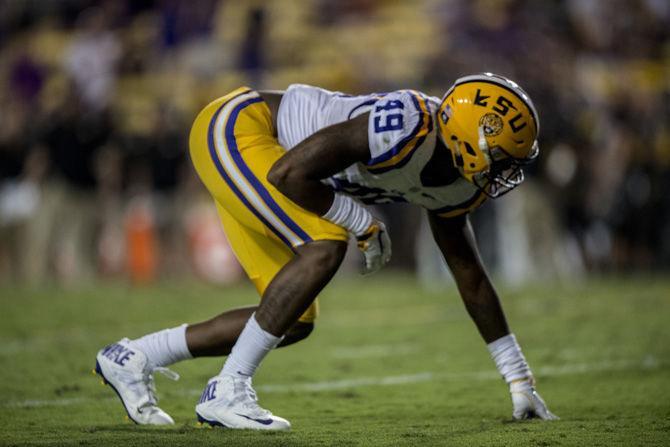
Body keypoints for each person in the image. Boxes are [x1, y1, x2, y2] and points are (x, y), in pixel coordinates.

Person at [95, 73, 558, 430]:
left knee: (293, 319)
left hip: (270, 161)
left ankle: (133, 357)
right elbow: (288, 173)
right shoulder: (408, 125)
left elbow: (469, 273)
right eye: (501, 158)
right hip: (241, 129)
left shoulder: (458, 185)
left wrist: (518, 379)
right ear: (466, 140)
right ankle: (227, 392)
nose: (506, 173)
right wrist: (361, 222)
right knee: (326, 245)